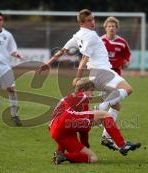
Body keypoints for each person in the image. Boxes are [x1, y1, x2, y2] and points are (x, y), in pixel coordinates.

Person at [37, 9, 133, 150]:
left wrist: (48, 63)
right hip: (103, 72)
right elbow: (84, 59)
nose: (93, 22)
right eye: (89, 20)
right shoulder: (92, 36)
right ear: (82, 23)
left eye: (93, 19)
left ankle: (106, 137)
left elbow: (62, 50)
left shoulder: (78, 35)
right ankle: (100, 107)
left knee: (116, 106)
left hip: (96, 73)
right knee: (128, 89)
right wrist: (77, 77)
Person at [50, 79, 141, 165]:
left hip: (55, 130)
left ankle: (62, 156)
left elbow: (60, 128)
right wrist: (85, 143)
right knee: (105, 115)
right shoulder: (82, 96)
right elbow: (84, 129)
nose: (93, 94)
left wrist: (61, 150)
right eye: (91, 90)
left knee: (92, 158)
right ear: (83, 89)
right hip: (64, 120)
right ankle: (122, 144)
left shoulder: (69, 98)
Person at [100, 16, 132, 150]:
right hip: (104, 76)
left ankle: (106, 137)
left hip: (117, 77)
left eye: (113, 26)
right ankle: (99, 110)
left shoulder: (122, 42)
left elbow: (127, 56)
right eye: (109, 26)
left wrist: (126, 62)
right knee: (112, 104)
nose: (111, 28)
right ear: (105, 27)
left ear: (116, 28)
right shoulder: (100, 41)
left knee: (116, 107)